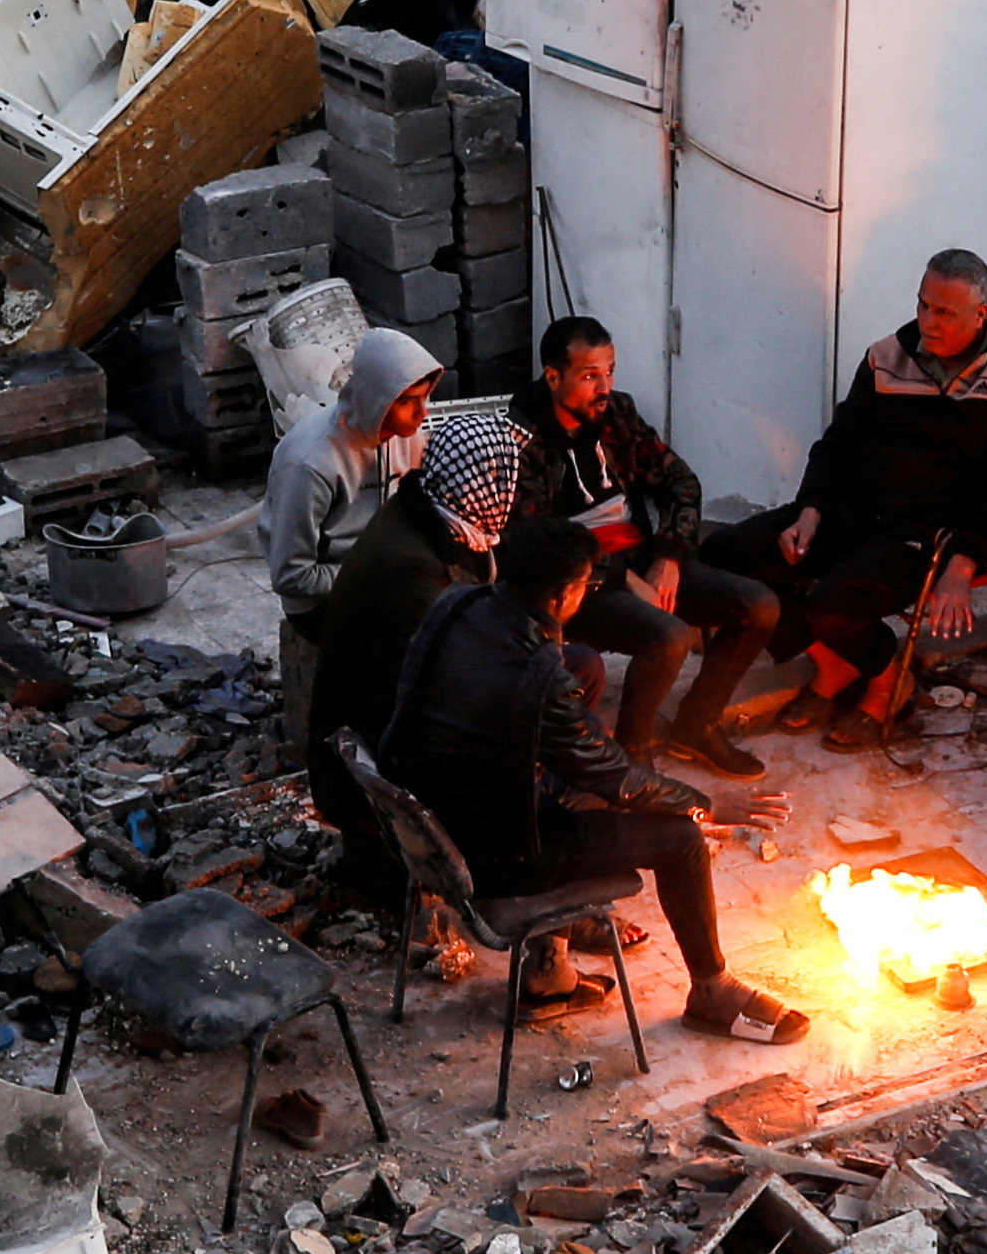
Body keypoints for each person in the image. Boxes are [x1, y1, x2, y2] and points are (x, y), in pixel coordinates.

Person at [386, 515, 807, 1041]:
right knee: (679, 838)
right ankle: (711, 991)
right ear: (564, 595)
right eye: (589, 583)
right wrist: (706, 805)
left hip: (424, 812)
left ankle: (548, 973)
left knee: (591, 746)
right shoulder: (535, 675)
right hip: (494, 855)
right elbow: (614, 779)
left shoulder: (460, 604)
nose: (590, 591)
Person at [695, 250, 987, 753]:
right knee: (725, 558)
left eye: (944, 312)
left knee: (833, 605)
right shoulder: (886, 356)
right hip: (852, 510)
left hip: (929, 531)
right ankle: (834, 664)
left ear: (981, 313)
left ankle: (890, 686)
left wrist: (963, 564)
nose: (927, 321)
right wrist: (811, 510)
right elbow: (838, 442)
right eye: (923, 305)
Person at [511, 314, 783, 776]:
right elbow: (538, 545)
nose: (604, 387)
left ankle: (696, 725)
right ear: (553, 376)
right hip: (580, 583)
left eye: (610, 371)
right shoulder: (521, 440)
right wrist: (620, 577)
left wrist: (669, 555)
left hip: (641, 556)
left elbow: (680, 481)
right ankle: (632, 755)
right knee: (668, 636)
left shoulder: (616, 414)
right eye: (590, 375)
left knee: (759, 606)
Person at [308, 403, 522, 897]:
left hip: (379, 725)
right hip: (372, 758)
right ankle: (519, 885)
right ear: (470, 478)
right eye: (496, 475)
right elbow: (439, 679)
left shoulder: (427, 514)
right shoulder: (412, 566)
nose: (506, 488)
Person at [262, 324, 442, 754]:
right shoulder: (312, 462)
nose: (420, 414)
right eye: (405, 401)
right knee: (408, 649)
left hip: (382, 574)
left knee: (458, 618)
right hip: (322, 600)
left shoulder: (406, 437)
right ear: (375, 398)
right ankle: (378, 752)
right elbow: (290, 575)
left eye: (423, 398)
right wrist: (373, 577)